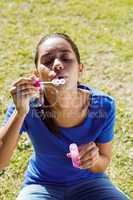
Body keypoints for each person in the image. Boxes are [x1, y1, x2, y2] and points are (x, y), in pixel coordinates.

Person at [0, 33, 130, 200]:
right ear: (37, 75)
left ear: (80, 69)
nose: (57, 64)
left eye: (66, 58)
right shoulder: (26, 105)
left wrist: (95, 160)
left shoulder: (103, 106)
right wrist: (20, 113)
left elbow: (103, 163)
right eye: (47, 61)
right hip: (41, 185)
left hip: (91, 185)